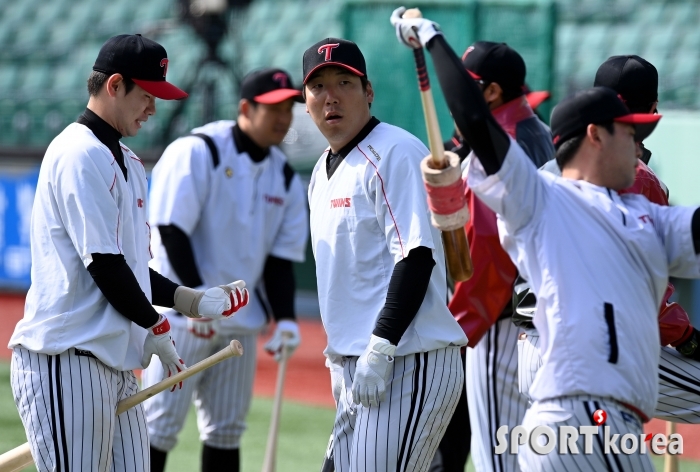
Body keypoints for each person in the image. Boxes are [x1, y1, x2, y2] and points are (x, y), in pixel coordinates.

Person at [392, 9, 700, 471]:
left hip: (596, 415)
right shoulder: (544, 199)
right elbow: (476, 120)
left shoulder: (642, 211)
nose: (639, 142)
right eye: (629, 130)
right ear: (595, 137)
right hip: (582, 414)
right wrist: (433, 39)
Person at [8, 34, 249, 472]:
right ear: (114, 85)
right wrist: (156, 325)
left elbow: (133, 265)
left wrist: (187, 299)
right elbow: (104, 264)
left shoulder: (129, 162)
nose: (154, 108)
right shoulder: (78, 151)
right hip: (66, 358)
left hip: (113, 364)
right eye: (147, 95)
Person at [303, 37, 467, 472]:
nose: (331, 96)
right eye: (318, 87)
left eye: (344, 82)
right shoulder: (321, 170)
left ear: (369, 92)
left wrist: (381, 344)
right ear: (305, 102)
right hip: (360, 367)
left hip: (408, 360)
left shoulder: (396, 150)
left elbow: (417, 255)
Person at [517, 55, 700, 425]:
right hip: (588, 347)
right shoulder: (637, 177)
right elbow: (647, 298)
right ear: (651, 111)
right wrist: (688, 337)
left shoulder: (553, 168)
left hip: (530, 344)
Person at [143, 68, 309, 472]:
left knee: (226, 432)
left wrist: (286, 319)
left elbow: (279, 259)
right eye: (274, 108)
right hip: (181, 320)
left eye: (289, 108)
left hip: (238, 321)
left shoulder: (284, 175)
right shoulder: (199, 150)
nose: (284, 118)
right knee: (155, 428)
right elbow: (171, 230)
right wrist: (195, 302)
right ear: (245, 109)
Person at [437, 41, 554, 472]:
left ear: (489, 93)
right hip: (544, 323)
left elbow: (485, 260)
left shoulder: (497, 148)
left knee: (500, 464)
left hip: (500, 327)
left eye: (463, 89)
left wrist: (454, 333)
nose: (453, 99)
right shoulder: (539, 132)